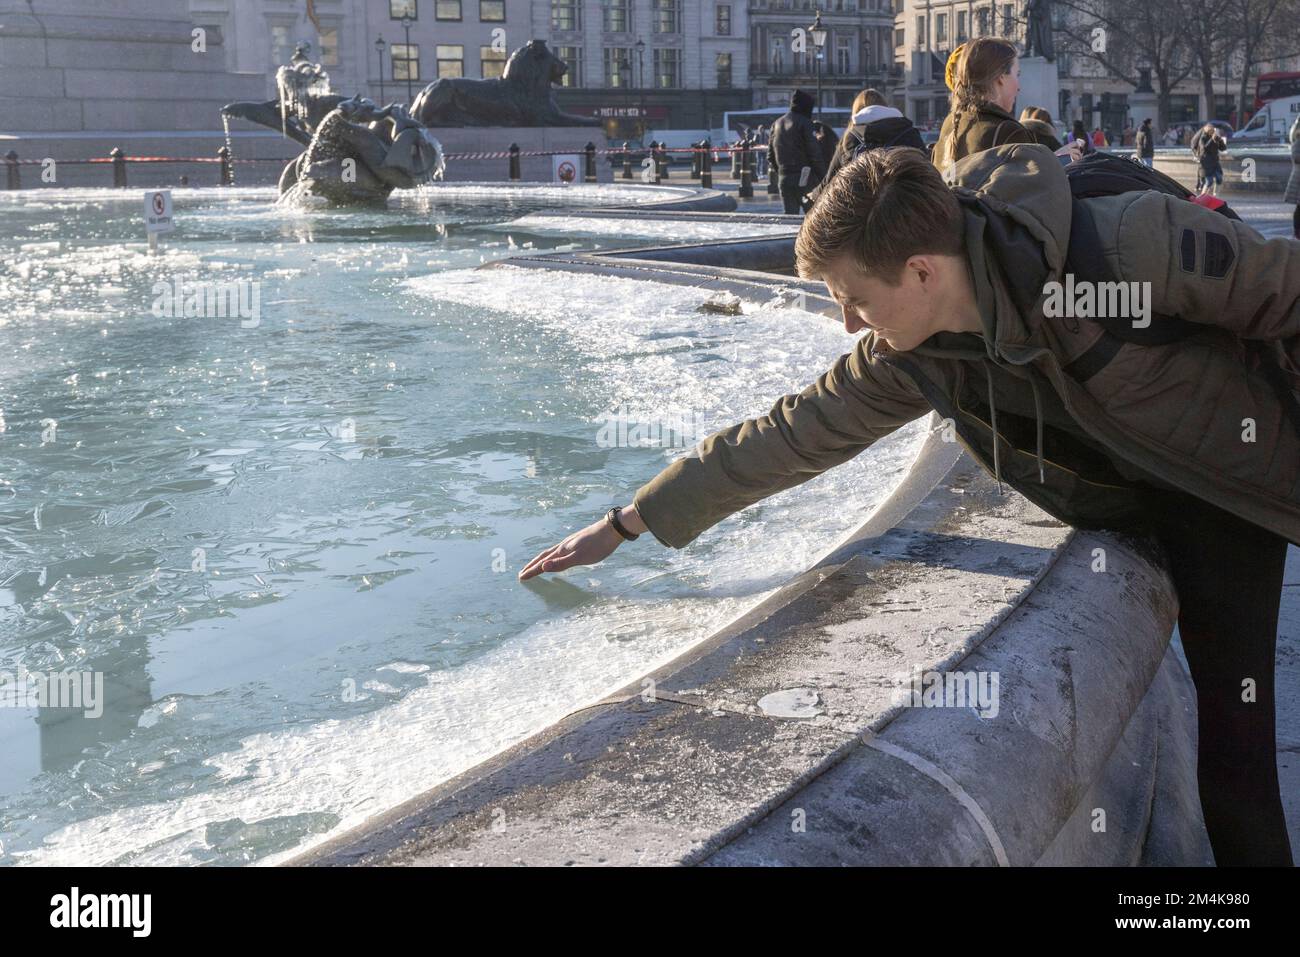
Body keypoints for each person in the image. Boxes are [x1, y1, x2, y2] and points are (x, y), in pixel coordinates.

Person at [519, 145, 1300, 868]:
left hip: (1225, 491)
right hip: (1137, 507)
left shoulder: (1123, 247)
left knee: (1236, 751)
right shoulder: (913, 355)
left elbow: (1286, 289)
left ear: (922, 271)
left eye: (854, 299)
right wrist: (632, 520)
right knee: (1230, 751)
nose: (849, 322)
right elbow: (794, 431)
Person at [933, 37, 1081, 169]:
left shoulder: (951, 124)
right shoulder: (1008, 131)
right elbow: (1027, 194)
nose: (1019, 86)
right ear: (1001, 78)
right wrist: (1058, 164)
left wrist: (1051, 159)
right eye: (1017, 75)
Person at [808, 88, 924, 207]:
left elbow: (830, 179)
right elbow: (926, 169)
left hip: (861, 209)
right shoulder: (908, 132)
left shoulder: (851, 137)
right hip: (905, 206)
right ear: (885, 106)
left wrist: (814, 194)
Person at [770, 88, 827, 215]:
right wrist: (824, 178)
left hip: (784, 178)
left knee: (789, 217)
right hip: (804, 178)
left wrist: (781, 172)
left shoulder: (776, 124)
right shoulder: (805, 123)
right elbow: (815, 155)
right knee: (813, 217)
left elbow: (770, 156)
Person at [1194, 122, 1229, 197]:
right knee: (1209, 181)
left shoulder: (1216, 137)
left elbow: (1223, 148)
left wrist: (1220, 140)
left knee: (1219, 179)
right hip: (1206, 163)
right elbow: (1205, 148)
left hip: (1215, 162)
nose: (1212, 132)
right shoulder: (1203, 138)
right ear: (1207, 131)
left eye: (1213, 130)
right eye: (1211, 130)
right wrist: (1212, 140)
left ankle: (1215, 196)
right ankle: (1202, 196)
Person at [1287, 115, 1300, 239]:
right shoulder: (1297, 142)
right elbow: (1296, 158)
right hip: (1298, 179)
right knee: (1299, 207)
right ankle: (1297, 231)